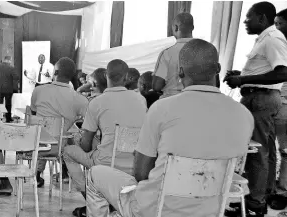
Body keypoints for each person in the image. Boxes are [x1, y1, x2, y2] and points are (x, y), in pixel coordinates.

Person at [87, 39, 254, 217]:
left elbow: (141, 173)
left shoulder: (162, 108)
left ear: (180, 71)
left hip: (156, 209)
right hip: (210, 211)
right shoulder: (244, 115)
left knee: (95, 175)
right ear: (218, 69)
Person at [224, 2, 287, 216]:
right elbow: (266, 70)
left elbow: (282, 73)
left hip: (261, 100)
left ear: (261, 18)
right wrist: (242, 77)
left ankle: (255, 202)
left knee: (255, 151)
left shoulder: (272, 39)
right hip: (259, 98)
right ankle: (261, 195)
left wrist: (243, 79)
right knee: (263, 150)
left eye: (248, 17)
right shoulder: (265, 39)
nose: (244, 21)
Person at [65, 59, 147, 217]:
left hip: (106, 164)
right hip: (135, 164)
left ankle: (88, 195)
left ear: (106, 76)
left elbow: (86, 146)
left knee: (68, 151)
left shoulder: (97, 102)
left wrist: (77, 139)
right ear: (125, 78)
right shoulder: (141, 100)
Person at [30, 57, 88, 188]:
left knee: (44, 133)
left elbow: (34, 115)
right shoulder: (80, 99)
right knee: (70, 136)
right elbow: (89, 123)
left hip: (34, 146)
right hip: (61, 148)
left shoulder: (38, 90)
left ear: (55, 73)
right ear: (73, 75)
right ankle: (68, 175)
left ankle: (37, 173)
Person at [152, 12, 194, 99]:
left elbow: (157, 86)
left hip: (170, 99)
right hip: (197, 99)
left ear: (176, 27)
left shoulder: (167, 53)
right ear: (193, 28)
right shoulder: (205, 50)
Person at [271, 8, 287, 211]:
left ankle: (279, 191)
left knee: (264, 147)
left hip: (282, 103)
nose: (275, 28)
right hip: (281, 102)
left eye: (279, 24)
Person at [0, 56, 19, 123]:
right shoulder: (11, 68)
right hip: (8, 88)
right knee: (8, 104)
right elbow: (16, 77)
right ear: (9, 60)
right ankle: (8, 119)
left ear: (4, 60)